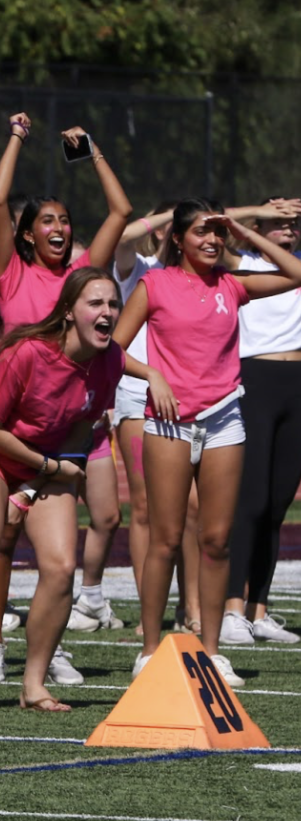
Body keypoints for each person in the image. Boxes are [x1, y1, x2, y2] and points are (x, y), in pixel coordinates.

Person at [0, 267, 147, 713]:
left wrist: (30, 489)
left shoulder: (109, 360)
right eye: (96, 303)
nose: (107, 312)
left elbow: (79, 431)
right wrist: (44, 468)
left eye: (112, 303)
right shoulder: (26, 353)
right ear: (69, 312)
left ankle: (33, 686)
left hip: (46, 459)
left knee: (60, 564)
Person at [114, 200, 301, 688]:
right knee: (166, 539)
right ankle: (150, 649)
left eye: (217, 233)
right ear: (178, 238)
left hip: (225, 423)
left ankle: (211, 652)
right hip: (170, 423)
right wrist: (151, 373)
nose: (212, 241)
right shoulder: (155, 284)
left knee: (217, 541)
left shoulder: (232, 285)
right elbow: (112, 348)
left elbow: (295, 273)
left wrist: (242, 230)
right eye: (202, 232)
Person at [0, 114, 131, 683]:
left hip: (66, 431)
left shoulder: (86, 276)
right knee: (0, 541)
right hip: (7, 431)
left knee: (59, 557)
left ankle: (51, 646)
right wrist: (16, 135)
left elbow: (121, 212)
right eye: (47, 221)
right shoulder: (11, 273)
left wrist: (92, 152)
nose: (60, 228)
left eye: (65, 220)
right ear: (27, 234)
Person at [224, 200, 301, 646]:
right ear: (257, 227)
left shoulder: (297, 266)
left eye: (293, 223)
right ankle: (233, 607)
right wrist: (258, 214)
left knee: (276, 506)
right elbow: (209, 217)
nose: (288, 229)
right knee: (249, 501)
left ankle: (260, 610)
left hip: (297, 386)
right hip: (255, 379)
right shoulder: (241, 263)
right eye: (279, 223)